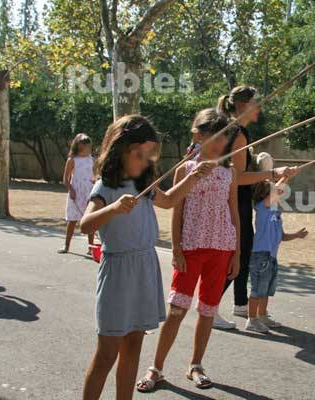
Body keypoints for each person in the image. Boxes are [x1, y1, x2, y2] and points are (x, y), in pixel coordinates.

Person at [80, 114, 216, 400]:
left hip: (145, 267)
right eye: (139, 154)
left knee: (133, 347)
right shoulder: (106, 186)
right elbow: (86, 224)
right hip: (118, 272)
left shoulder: (144, 181)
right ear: (120, 149)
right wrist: (114, 208)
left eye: (148, 155)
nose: (145, 161)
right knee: (107, 354)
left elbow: (167, 202)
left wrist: (192, 177)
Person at [136, 108, 239, 392]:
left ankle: (196, 365)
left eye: (223, 139)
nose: (219, 144)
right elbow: (175, 209)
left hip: (221, 248)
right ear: (198, 136)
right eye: (214, 137)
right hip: (191, 249)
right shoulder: (185, 169)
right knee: (177, 311)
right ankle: (156, 368)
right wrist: (177, 248)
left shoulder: (228, 172)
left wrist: (237, 253)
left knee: (208, 310)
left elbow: (234, 213)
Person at [214, 85, 299, 330]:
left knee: (243, 249)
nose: (259, 107)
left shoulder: (234, 129)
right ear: (243, 105)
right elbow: (237, 178)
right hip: (233, 200)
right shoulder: (237, 132)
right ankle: (210, 309)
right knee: (236, 252)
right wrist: (271, 173)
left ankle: (240, 304)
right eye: (256, 102)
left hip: (236, 199)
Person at [246, 155, 308, 333]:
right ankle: (252, 319)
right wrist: (288, 176)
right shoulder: (262, 208)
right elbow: (278, 190)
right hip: (260, 255)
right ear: (266, 196)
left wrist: (295, 235)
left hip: (271, 256)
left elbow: (281, 236)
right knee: (258, 289)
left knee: (266, 289)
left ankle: (262, 315)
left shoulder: (275, 214)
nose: (278, 195)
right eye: (273, 192)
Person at [58, 133, 95, 254]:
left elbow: (93, 176)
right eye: (87, 147)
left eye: (90, 147)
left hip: (89, 191)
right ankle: (66, 245)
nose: (89, 149)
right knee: (72, 220)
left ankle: (91, 247)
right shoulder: (72, 160)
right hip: (76, 192)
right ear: (80, 146)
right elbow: (65, 179)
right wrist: (71, 190)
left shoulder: (91, 159)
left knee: (90, 219)